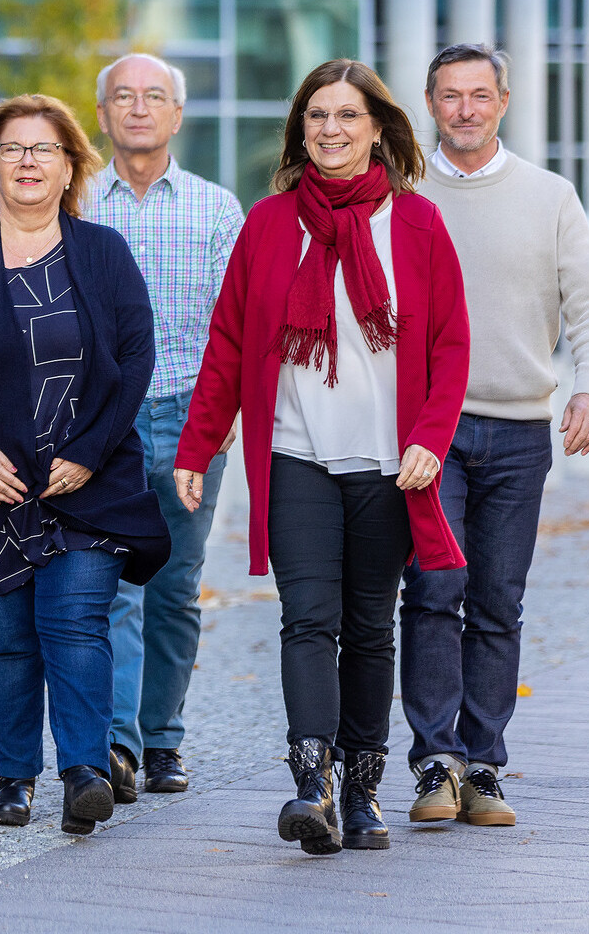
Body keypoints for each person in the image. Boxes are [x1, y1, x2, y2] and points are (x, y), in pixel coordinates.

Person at [174, 58, 470, 855]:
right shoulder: (270, 225)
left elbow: (449, 347)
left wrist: (428, 442)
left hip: (387, 463)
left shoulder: (416, 225)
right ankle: (312, 785)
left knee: (371, 627)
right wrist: (198, 445)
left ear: (378, 128)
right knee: (308, 619)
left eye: (346, 116)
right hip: (296, 454)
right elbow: (229, 343)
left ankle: (365, 793)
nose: (330, 130)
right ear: (299, 129)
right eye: (316, 116)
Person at [0, 94, 168, 836]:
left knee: (76, 620)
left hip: (88, 483)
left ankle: (84, 770)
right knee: (10, 635)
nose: (27, 161)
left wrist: (89, 451)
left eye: (43, 149)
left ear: (69, 166)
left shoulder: (103, 252)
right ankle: (14, 779)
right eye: (12, 149)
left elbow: (136, 357)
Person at [402, 43, 589, 828]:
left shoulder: (550, 195)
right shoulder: (402, 190)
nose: (465, 108)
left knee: (497, 599)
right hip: (432, 430)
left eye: (479, 95)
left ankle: (484, 765)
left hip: (522, 428)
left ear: (503, 101)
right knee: (433, 587)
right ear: (430, 102)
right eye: (451, 95)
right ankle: (435, 763)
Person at [84, 53, 246, 801]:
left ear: (177, 115)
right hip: (100, 424)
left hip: (189, 418)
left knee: (175, 586)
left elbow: (233, 329)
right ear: (104, 114)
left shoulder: (216, 210)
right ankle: (115, 744)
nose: (139, 108)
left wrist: (217, 424)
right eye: (124, 96)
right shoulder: (75, 202)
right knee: (111, 584)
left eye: (155, 97)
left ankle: (163, 742)